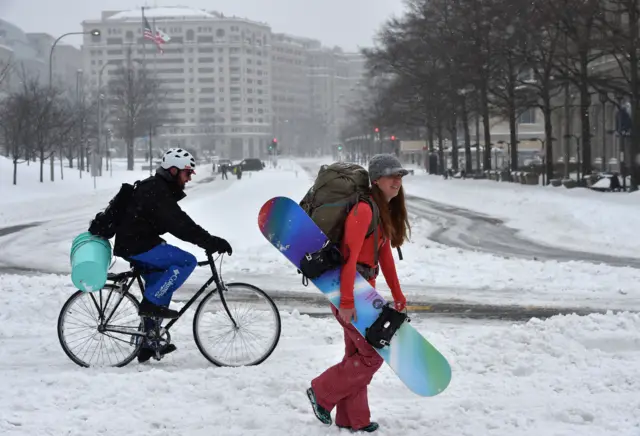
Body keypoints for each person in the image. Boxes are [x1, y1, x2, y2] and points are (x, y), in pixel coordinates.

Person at [307, 154, 411, 433]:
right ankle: (322, 391)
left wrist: (398, 295)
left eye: (400, 176)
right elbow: (349, 257)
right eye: (392, 176)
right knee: (373, 354)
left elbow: (384, 257)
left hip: (366, 289)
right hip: (349, 289)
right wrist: (347, 301)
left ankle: (354, 419)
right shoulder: (364, 210)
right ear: (376, 180)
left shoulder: (379, 211)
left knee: (355, 352)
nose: (397, 181)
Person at [113, 148, 233, 362]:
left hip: (138, 243)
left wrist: (208, 240)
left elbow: (180, 223)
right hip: (137, 245)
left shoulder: (159, 189)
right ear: (174, 170)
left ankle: (148, 341)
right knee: (186, 261)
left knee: (160, 282)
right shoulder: (157, 191)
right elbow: (181, 225)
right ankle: (149, 305)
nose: (189, 178)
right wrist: (210, 241)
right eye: (187, 173)